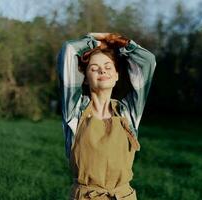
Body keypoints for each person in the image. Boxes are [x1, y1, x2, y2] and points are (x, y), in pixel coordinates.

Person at [56, 32, 156, 200]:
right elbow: (69, 50)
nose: (102, 70)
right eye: (94, 68)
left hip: (124, 196)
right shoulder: (74, 110)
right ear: (86, 79)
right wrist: (94, 41)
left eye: (108, 67)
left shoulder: (128, 112)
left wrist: (115, 40)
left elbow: (148, 61)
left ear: (116, 76)